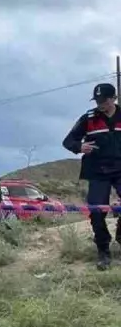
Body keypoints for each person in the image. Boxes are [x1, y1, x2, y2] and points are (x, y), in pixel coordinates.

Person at [62, 82, 121, 270]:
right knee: (96, 211)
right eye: (97, 101)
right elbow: (68, 140)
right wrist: (79, 147)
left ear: (114, 98)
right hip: (97, 171)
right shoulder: (88, 118)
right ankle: (103, 250)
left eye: (104, 100)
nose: (100, 104)